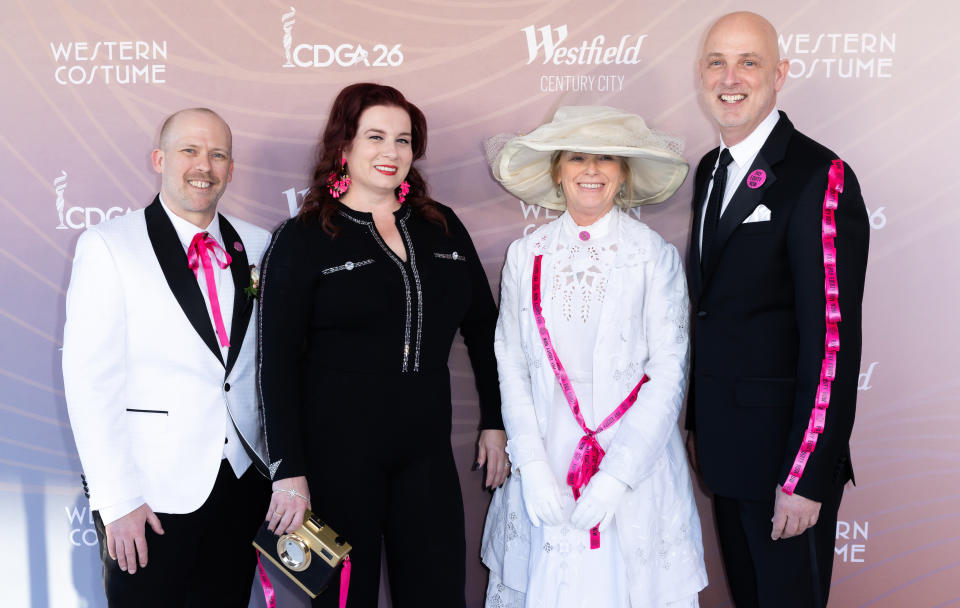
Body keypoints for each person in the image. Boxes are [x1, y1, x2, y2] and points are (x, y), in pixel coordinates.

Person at [257, 82, 507, 607]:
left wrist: (495, 420)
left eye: (403, 140)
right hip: (334, 461)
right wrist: (289, 472)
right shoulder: (302, 238)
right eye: (375, 137)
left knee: (439, 594)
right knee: (345, 600)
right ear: (344, 145)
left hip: (426, 455)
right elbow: (274, 364)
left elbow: (485, 329)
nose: (390, 153)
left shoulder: (442, 227)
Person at [481, 106, 707, 608]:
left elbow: (669, 375)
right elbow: (511, 364)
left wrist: (616, 478)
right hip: (544, 462)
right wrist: (532, 464)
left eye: (606, 157)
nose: (591, 169)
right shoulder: (527, 255)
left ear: (623, 173)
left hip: (635, 468)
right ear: (557, 171)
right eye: (577, 157)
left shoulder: (654, 255)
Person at [685, 12, 870, 608]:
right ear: (701, 74)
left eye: (749, 62)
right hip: (727, 451)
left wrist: (805, 476)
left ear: (780, 74)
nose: (730, 77)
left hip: (786, 469)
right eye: (717, 61)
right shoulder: (710, 171)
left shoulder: (821, 176)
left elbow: (832, 340)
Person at [62, 108, 271, 606]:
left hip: (241, 485)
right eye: (190, 151)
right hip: (150, 495)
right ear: (160, 159)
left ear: (231, 168)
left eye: (218, 154)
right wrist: (116, 502)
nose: (205, 165)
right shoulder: (109, 246)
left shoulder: (260, 244)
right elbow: (90, 382)